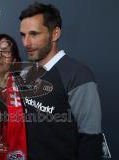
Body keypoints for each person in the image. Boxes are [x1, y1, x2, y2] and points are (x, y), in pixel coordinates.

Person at [18, 2, 102, 160]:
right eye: (23, 34)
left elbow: (91, 139)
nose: (26, 43)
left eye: (34, 34)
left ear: (55, 34)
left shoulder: (79, 75)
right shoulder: (26, 71)